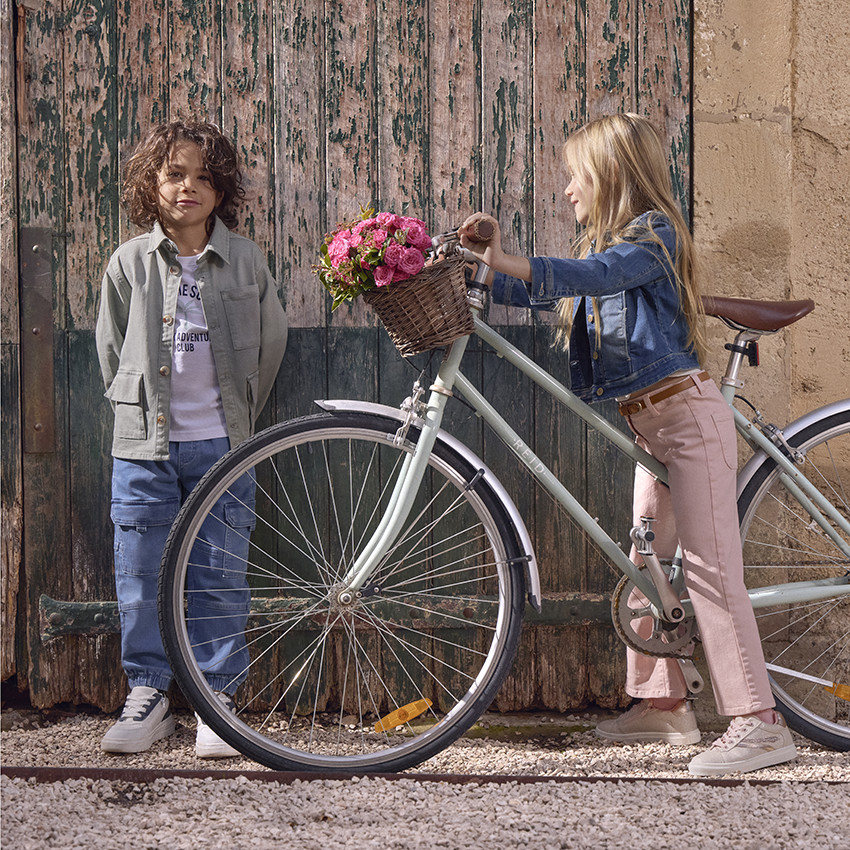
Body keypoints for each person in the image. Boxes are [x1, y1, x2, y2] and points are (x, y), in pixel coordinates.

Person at [458, 112, 797, 777]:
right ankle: (663, 706)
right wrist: (478, 270)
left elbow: (597, 278)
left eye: (575, 176)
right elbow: (566, 292)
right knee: (646, 560)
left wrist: (506, 259)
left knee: (708, 570)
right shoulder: (602, 249)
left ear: (611, 174)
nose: (566, 192)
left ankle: (761, 724)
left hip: (687, 419)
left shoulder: (652, 240)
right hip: (653, 423)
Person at [96, 121, 287, 758]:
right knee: (141, 571)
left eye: (204, 176)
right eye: (175, 173)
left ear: (221, 189)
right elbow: (111, 352)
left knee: (218, 574)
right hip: (142, 450)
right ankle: (148, 692)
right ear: (151, 183)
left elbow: (270, 345)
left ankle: (215, 699)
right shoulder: (128, 263)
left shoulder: (246, 262)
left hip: (221, 447)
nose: (189, 188)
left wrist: (235, 419)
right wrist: (138, 416)